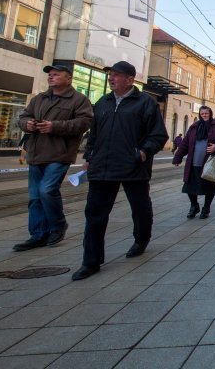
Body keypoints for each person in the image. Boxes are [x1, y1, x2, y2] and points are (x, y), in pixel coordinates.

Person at [72, 61, 168, 281]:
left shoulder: (145, 103)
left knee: (140, 208)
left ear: (130, 79)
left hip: (133, 166)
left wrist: (144, 152)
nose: (111, 79)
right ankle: (91, 261)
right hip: (102, 166)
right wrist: (88, 158)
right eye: (110, 76)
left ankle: (141, 239)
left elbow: (158, 135)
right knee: (95, 214)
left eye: (116, 75)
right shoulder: (102, 103)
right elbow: (93, 135)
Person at [13, 65, 92, 251]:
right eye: (50, 75)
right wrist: (28, 124)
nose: (51, 77)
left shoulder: (79, 100)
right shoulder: (39, 99)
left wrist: (54, 126)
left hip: (60, 153)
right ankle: (38, 234)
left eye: (56, 75)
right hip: (36, 152)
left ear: (68, 79)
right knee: (34, 196)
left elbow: (85, 122)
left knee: (47, 190)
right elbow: (23, 117)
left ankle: (58, 225)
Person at [172, 106, 215, 219]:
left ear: (210, 114)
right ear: (199, 114)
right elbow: (185, 143)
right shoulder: (194, 127)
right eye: (202, 113)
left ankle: (206, 208)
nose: (204, 115)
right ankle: (194, 206)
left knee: (210, 187)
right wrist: (177, 158)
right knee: (189, 187)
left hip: (210, 163)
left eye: (206, 113)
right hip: (194, 162)